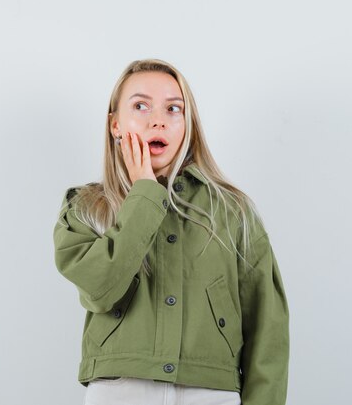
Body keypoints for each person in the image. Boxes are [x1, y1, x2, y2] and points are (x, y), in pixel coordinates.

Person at [52, 58, 290, 405]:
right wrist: (144, 192)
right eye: (140, 106)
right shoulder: (85, 207)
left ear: (187, 125)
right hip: (119, 390)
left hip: (211, 391)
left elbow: (268, 331)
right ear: (115, 125)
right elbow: (99, 289)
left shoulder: (232, 210)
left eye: (173, 108)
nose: (158, 119)